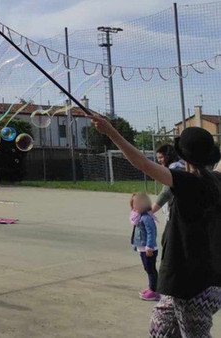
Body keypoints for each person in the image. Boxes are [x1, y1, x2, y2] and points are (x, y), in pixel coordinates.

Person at [89, 114, 221, 337]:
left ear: (184, 157)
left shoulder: (188, 182)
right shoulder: (216, 180)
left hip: (192, 284)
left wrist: (111, 132)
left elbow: (142, 163)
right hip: (199, 280)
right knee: (161, 326)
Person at [130, 192, 160, 301]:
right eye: (133, 205)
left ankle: (155, 291)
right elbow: (136, 232)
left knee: (151, 269)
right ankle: (152, 287)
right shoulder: (138, 217)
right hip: (142, 248)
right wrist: (135, 244)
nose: (134, 207)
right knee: (147, 269)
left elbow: (151, 232)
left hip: (149, 249)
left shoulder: (146, 217)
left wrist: (149, 246)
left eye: (136, 205)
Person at [151, 143, 186, 218]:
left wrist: (149, 212)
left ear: (168, 156)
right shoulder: (181, 164)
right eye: (158, 158)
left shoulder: (175, 168)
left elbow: (166, 193)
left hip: (180, 212)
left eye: (161, 157)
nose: (159, 160)